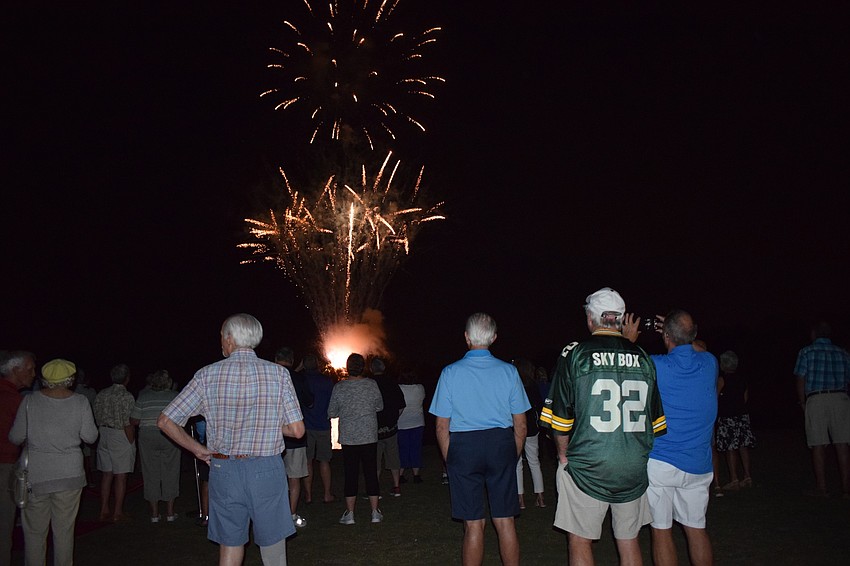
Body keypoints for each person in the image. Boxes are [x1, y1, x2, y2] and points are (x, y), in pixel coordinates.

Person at [157, 313, 304, 566]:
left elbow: (165, 421)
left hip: (224, 469)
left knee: (230, 544)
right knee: (273, 547)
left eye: (221, 337)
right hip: (266, 469)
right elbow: (297, 430)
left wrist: (198, 450)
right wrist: (267, 424)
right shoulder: (278, 374)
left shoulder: (206, 375)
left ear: (229, 339)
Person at [539, 288, 666, 566]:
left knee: (580, 539)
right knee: (629, 541)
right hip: (632, 464)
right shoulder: (643, 357)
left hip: (588, 464)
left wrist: (563, 456)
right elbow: (655, 423)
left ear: (590, 318)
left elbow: (559, 420)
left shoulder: (576, 355)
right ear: (620, 319)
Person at [429, 312, 530, 566]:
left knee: (473, 523)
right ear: (494, 338)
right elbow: (521, 424)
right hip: (500, 444)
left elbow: (441, 426)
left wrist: (451, 459)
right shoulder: (509, 372)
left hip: (464, 447)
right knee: (505, 520)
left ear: (466, 337)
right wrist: (513, 454)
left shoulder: (450, 373)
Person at [632, 310, 717, 566]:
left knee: (661, 530)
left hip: (662, 462)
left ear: (666, 336)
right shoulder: (710, 363)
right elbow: (699, 347)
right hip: (699, 464)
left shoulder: (657, 365)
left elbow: (627, 359)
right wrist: (679, 334)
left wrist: (629, 339)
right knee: (696, 529)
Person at [10, 358, 98, 566]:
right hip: (69, 475)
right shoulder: (80, 401)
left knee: (34, 533)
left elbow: (15, 436)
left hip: (38, 476)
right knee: (64, 532)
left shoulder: (30, 401)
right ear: (71, 379)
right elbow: (91, 437)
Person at [793, 321, 850, 498]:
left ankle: (822, 488)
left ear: (814, 334)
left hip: (816, 398)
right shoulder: (843, 353)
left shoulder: (806, 352)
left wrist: (802, 401)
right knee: (842, 444)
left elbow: (800, 378)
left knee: (817, 443)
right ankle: (846, 489)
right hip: (840, 397)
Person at [327, 353, 384, 525]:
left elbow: (332, 412)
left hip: (349, 437)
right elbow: (379, 406)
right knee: (371, 472)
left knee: (350, 474)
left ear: (348, 367)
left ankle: (350, 514)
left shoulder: (339, 387)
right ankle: (375, 512)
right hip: (368, 436)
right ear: (363, 367)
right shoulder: (371, 384)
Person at [130, 369, 180, 522]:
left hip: (148, 436)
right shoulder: (174, 396)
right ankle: (170, 513)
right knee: (171, 471)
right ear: (169, 382)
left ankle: (154, 514)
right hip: (169, 435)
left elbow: (134, 420)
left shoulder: (144, 397)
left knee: (150, 472)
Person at [0, 351, 36, 564]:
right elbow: (23, 437)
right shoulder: (14, 400)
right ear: (15, 370)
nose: (33, 374)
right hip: (4, 466)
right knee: (4, 525)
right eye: (29, 369)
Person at [275, 346, 313, 528]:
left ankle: (275, 514)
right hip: (295, 436)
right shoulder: (298, 378)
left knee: (274, 478)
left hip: (273, 436)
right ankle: (291, 515)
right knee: (294, 477)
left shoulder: (270, 376)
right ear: (291, 360)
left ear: (276, 359)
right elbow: (309, 401)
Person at [93, 363, 136, 522]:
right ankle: (117, 512)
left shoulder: (101, 394)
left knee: (107, 474)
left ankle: (104, 509)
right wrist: (131, 441)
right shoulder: (126, 396)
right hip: (120, 434)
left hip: (103, 432)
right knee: (121, 475)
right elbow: (128, 422)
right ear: (127, 378)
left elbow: (96, 414)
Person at [715, 350, 755, 491]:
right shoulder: (742, 379)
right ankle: (747, 476)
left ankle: (734, 479)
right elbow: (745, 398)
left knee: (730, 447)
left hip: (728, 417)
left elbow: (715, 397)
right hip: (742, 416)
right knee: (743, 446)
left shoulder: (722, 380)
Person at [300, 353, 335, 504]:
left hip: (306, 427)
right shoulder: (327, 381)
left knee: (308, 461)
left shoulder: (301, 380)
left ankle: (308, 496)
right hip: (323, 426)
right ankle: (327, 494)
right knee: (324, 460)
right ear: (317, 365)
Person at [513, 358, 545, 509]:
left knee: (517, 463)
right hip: (532, 428)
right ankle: (541, 497)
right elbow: (540, 407)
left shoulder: (515, 386)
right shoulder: (533, 386)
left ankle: (520, 499)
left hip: (517, 427)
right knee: (534, 461)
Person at [371, 357, 405, 496]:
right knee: (393, 457)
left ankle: (375, 488)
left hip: (374, 429)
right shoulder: (392, 383)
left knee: (375, 460)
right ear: (383, 368)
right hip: (391, 428)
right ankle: (396, 486)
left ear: (371, 369)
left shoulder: (370, 384)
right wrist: (394, 419)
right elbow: (401, 405)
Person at [397, 370, 426, 484]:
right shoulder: (420, 388)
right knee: (416, 448)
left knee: (402, 449)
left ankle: (400, 474)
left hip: (402, 423)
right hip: (418, 422)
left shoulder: (399, 388)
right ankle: (416, 474)